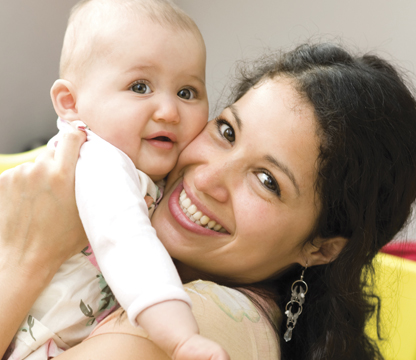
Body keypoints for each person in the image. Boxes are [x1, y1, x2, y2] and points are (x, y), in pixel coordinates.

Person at [1, 43, 416, 360]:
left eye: (267, 181)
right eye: (227, 132)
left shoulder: (201, 327)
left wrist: (25, 257)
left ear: (321, 246)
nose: (206, 177)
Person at [2, 0, 230, 359]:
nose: (169, 111)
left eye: (186, 92)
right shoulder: (99, 161)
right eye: (140, 87)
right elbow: (127, 244)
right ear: (70, 102)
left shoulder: (154, 172)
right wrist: (181, 338)